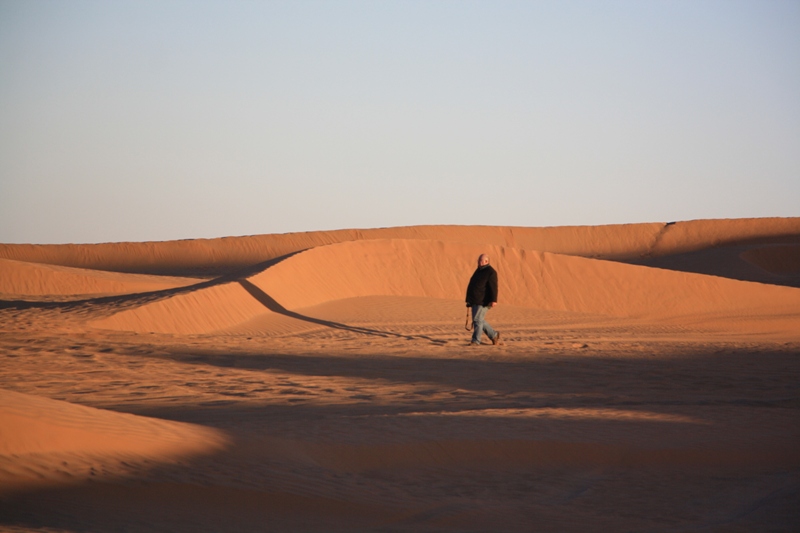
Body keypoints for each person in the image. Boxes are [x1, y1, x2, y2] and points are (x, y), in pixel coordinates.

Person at [465, 254, 502, 346]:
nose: (479, 262)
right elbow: (472, 285)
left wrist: (494, 300)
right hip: (475, 300)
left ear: (487, 261)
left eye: (481, 261)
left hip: (484, 301)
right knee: (478, 320)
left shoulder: (491, 272)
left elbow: (493, 287)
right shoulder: (478, 271)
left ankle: (476, 341)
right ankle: (494, 335)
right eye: (478, 260)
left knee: (477, 319)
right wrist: (469, 300)